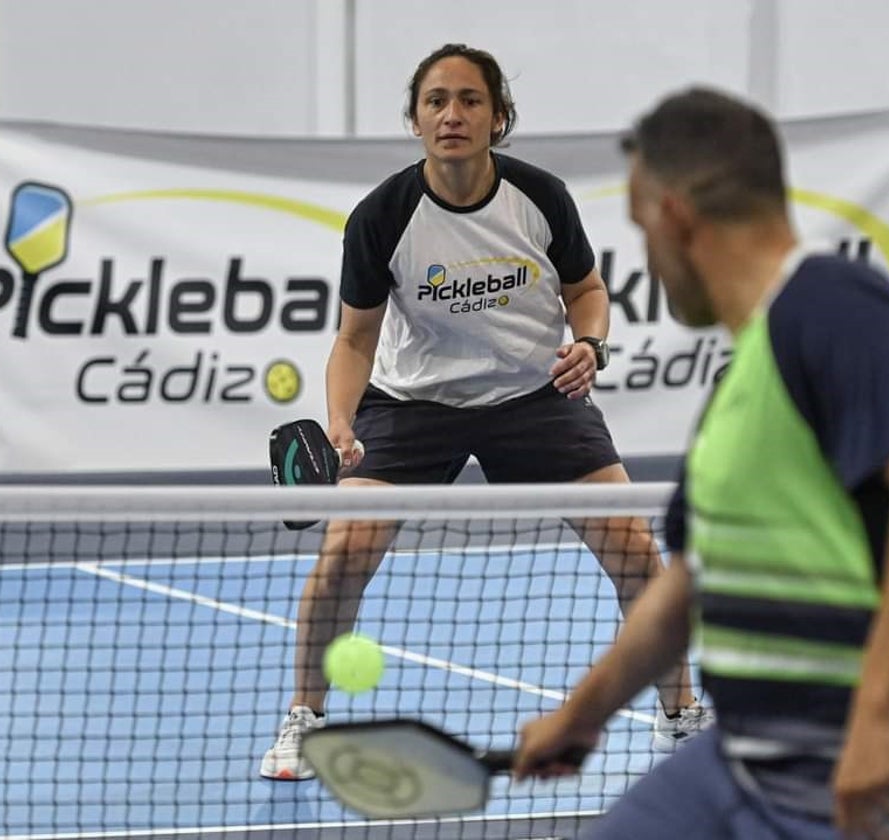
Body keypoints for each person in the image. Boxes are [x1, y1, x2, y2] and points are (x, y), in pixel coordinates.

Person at [513, 86, 889, 839]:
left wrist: (877, 717)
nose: (646, 252)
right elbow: (691, 583)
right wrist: (580, 717)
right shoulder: (746, 378)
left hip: (879, 775)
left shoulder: (832, 303)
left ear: (676, 216)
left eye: (643, 226)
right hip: (743, 759)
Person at [259, 43, 711, 781]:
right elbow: (354, 338)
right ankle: (305, 718)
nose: (452, 114)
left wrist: (590, 344)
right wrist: (340, 420)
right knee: (342, 557)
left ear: (499, 117)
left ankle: (679, 715)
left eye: (470, 99)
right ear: (414, 119)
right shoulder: (381, 217)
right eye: (436, 100)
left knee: (633, 547)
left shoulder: (539, 198)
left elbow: (588, 291)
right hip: (414, 403)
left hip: (533, 397)